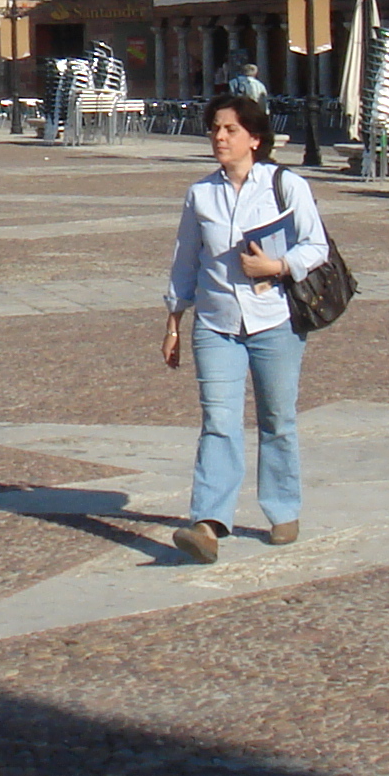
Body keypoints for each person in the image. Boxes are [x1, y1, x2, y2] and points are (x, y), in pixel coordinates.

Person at [161, 92, 328, 564]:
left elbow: (316, 246)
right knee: (218, 422)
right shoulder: (201, 194)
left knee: (277, 419)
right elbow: (185, 261)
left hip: (275, 321)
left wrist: (277, 266)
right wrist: (173, 322)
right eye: (215, 128)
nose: (219, 137)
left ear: (254, 138)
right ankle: (208, 522)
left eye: (230, 129)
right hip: (216, 324)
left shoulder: (285, 186)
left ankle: (282, 508)